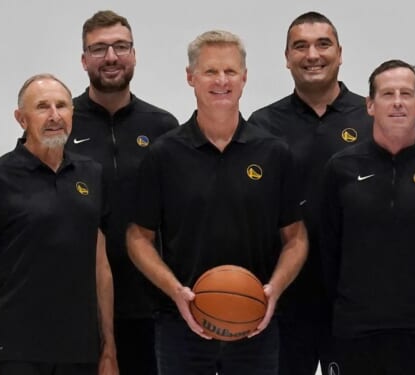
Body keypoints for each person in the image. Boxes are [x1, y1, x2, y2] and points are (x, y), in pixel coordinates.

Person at [126, 30, 308, 374]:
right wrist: (175, 291)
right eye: (210, 71)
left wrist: (273, 290)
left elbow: (296, 238)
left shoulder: (274, 152)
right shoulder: (163, 154)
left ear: (244, 77)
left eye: (230, 71)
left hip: (256, 325)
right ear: (190, 77)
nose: (221, 80)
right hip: (181, 325)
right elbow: (138, 237)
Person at [320, 59, 415, 375]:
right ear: (370, 105)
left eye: (407, 93)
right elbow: (329, 250)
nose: (398, 102)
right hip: (355, 332)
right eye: (388, 94)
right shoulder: (340, 168)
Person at [0, 74, 118, 375]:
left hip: (80, 350)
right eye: (42, 107)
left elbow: (101, 266)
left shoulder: (91, 174)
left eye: (62, 106)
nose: (55, 115)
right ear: (21, 118)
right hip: (16, 350)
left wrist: (108, 346)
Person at [247, 11, 372, 375]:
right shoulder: (262, 125)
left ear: (341, 52)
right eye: (299, 46)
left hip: (354, 303)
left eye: (323, 44)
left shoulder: (371, 118)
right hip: (283, 303)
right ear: (286, 58)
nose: (312, 55)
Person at [66, 10, 178, 374]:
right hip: (77, 305)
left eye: (120, 46)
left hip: (151, 306)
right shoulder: (61, 123)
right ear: (84, 60)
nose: (111, 57)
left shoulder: (163, 126)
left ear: (134, 54)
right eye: (98, 49)